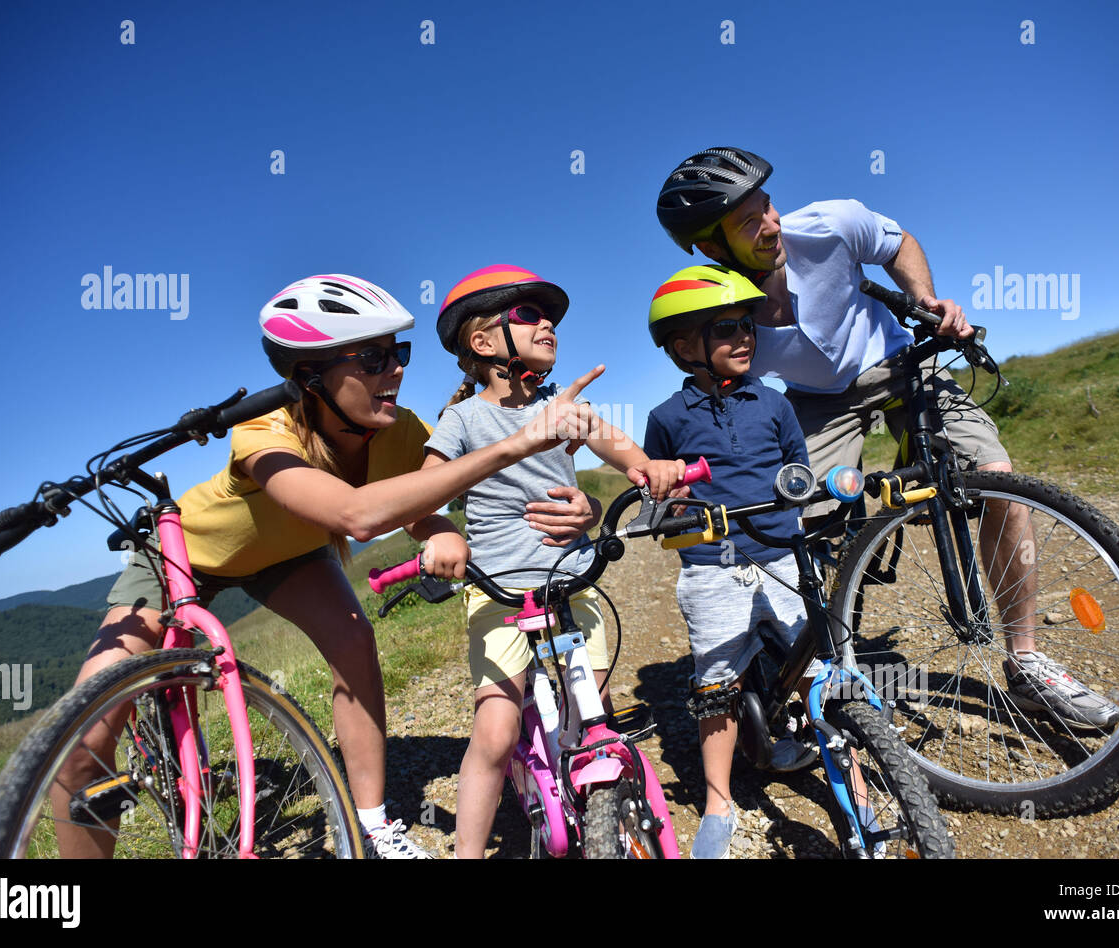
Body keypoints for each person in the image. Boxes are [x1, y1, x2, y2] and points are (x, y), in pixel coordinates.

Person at [55, 273, 599, 859]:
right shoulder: (264, 428)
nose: (395, 369)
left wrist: (443, 526)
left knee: (354, 643)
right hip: (188, 550)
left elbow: (418, 504)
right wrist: (513, 445)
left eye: (398, 353)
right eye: (372, 357)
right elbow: (355, 516)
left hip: (291, 554)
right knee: (89, 722)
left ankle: (372, 824)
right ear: (309, 375)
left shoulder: (404, 431)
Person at [655, 147, 1119, 730]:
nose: (772, 223)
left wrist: (927, 301)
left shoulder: (830, 223)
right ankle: (813, 662)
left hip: (896, 362)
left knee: (996, 475)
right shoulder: (715, 303)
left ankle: (1025, 658)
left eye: (767, 206)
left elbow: (898, 242)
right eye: (749, 222)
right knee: (800, 520)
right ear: (712, 246)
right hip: (815, 399)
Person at [423, 264, 684, 859]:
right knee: (495, 731)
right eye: (527, 315)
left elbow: (626, 454)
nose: (547, 325)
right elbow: (425, 494)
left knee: (596, 703)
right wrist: (436, 535)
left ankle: (604, 807)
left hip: (571, 582)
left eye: (550, 317)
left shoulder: (565, 407)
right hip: (502, 594)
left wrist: (654, 471)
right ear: (483, 343)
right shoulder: (464, 419)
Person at [642, 264, 822, 858]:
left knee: (813, 662)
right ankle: (719, 799)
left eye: (747, 325)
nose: (744, 337)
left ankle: (826, 757)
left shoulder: (773, 404)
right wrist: (667, 500)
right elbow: (657, 494)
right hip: (711, 565)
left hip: (780, 555)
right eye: (726, 328)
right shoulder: (667, 418)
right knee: (717, 682)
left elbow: (798, 472)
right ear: (684, 347)